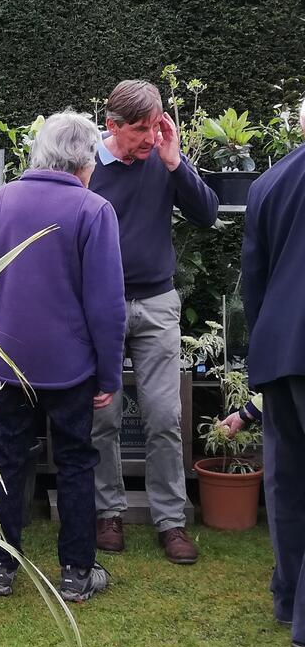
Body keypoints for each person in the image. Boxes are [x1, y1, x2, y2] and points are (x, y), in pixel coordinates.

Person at [0, 111, 125, 603]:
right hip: (72, 366)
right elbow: (107, 305)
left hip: (5, 360)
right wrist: (109, 374)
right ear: (84, 159)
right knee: (75, 462)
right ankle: (76, 572)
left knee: (6, 459)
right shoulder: (94, 210)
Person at [89, 80, 218, 564]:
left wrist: (174, 161)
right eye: (140, 130)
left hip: (158, 303)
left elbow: (206, 215)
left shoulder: (164, 161)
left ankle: (171, 520)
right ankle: (108, 512)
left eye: (155, 126)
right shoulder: (88, 169)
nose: (149, 137)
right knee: (103, 415)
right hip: (103, 307)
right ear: (112, 126)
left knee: (165, 416)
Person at [242, 96, 305, 647]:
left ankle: (288, 598)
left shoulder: (269, 183)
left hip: (279, 349)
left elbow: (252, 282)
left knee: (286, 479)